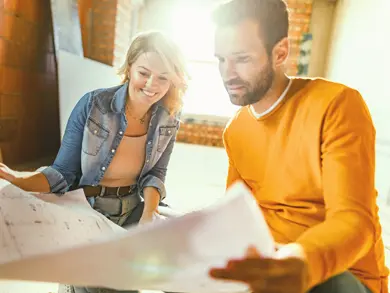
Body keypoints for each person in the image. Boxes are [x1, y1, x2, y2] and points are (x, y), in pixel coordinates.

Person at [208, 0, 389, 293]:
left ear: (280, 52)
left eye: (241, 58)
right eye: (220, 59)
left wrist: (302, 261)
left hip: (336, 273)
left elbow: (354, 221)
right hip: (271, 263)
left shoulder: (336, 104)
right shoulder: (236, 130)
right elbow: (236, 214)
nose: (227, 73)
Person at [0, 31, 188, 293]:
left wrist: (148, 217)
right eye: (144, 73)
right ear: (130, 67)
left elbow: (156, 173)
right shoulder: (94, 105)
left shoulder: (169, 119)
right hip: (88, 211)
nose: (152, 84)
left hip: (133, 209)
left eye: (163, 78)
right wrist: (18, 179)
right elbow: (62, 173)